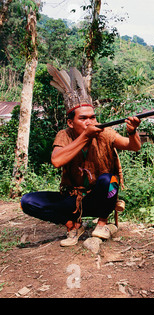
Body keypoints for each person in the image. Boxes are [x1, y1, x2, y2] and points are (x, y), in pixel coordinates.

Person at [20, 64, 141, 247]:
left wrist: (133, 132)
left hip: (98, 200)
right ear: (70, 122)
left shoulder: (105, 132)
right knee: (27, 201)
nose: (90, 122)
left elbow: (132, 146)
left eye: (92, 117)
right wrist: (85, 137)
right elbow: (56, 160)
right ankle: (73, 225)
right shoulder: (64, 135)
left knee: (110, 180)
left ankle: (102, 223)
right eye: (83, 119)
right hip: (73, 200)